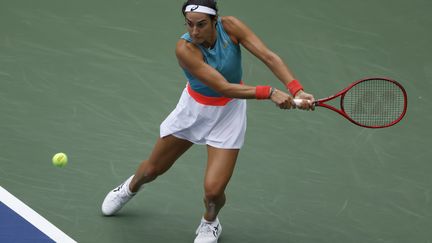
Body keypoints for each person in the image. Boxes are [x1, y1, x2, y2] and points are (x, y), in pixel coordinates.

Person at [101, 0, 314, 242]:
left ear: (215, 21)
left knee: (213, 192)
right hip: (194, 111)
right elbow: (223, 86)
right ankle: (129, 188)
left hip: (228, 115)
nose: (194, 32)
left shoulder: (231, 27)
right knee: (151, 170)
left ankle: (210, 222)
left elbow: (268, 56)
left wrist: (296, 89)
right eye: (189, 25)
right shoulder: (185, 49)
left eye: (201, 25)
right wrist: (270, 92)